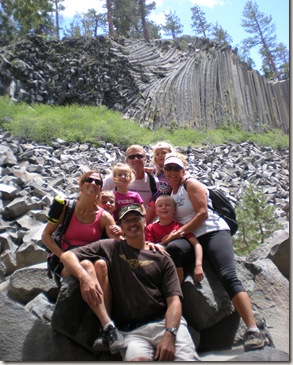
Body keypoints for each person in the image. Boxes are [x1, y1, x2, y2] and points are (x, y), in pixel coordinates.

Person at [60, 204, 200, 361]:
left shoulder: (162, 257)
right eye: (127, 221)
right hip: (132, 332)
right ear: (121, 227)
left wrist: (170, 333)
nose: (132, 224)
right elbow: (67, 256)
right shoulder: (110, 247)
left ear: (145, 222)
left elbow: (174, 301)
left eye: (136, 219)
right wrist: (84, 278)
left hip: (164, 323)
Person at [163, 152, 269, 352]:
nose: (172, 172)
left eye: (176, 168)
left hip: (212, 231)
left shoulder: (190, 184)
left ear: (183, 170)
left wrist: (178, 233)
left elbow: (202, 213)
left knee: (227, 274)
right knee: (174, 250)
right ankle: (175, 308)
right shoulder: (172, 193)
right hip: (192, 238)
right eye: (168, 168)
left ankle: (254, 329)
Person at [42, 170, 120, 281]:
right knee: (87, 266)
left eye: (98, 182)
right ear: (81, 185)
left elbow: (118, 242)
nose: (93, 183)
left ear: (100, 189)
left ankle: (100, 298)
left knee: (101, 265)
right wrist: (62, 256)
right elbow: (46, 235)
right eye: (89, 180)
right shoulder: (66, 208)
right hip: (66, 259)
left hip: (92, 257)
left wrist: (122, 234)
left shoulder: (105, 217)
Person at [146, 194, 204, 284]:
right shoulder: (151, 227)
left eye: (168, 205)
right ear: (156, 211)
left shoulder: (178, 227)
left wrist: (198, 265)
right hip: (160, 263)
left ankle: (177, 287)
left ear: (174, 210)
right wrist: (170, 238)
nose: (164, 207)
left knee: (173, 248)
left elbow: (196, 244)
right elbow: (150, 248)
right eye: (160, 205)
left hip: (177, 258)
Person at [102, 145, 159, 223]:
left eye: (139, 156)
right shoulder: (114, 178)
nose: (135, 159)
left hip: (141, 224)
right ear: (127, 161)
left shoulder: (154, 182)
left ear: (145, 159)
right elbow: (97, 195)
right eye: (131, 157)